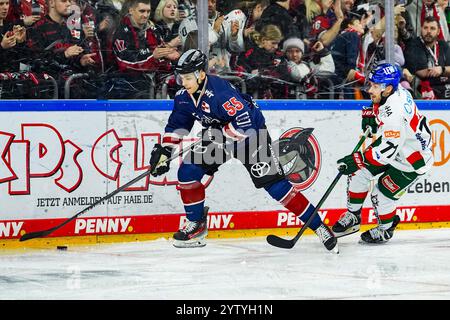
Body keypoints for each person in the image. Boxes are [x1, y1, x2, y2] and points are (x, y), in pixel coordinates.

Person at [149, 49, 339, 253]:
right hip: (219, 137)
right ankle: (196, 225)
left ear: (201, 75)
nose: (183, 82)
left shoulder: (221, 93)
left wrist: (220, 135)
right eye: (181, 77)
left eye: (187, 78)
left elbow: (245, 125)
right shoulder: (183, 97)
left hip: (252, 138)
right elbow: (178, 123)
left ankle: (319, 227)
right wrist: (165, 150)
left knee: (276, 187)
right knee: (187, 172)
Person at [332, 63, 434, 244]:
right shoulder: (395, 91)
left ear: (387, 88)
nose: (370, 89)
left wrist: (358, 159)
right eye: (370, 84)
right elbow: (382, 110)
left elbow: (387, 150)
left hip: (411, 160)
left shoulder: (395, 113)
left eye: (374, 86)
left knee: (382, 193)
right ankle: (354, 216)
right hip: (397, 145)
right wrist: (372, 113)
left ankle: (386, 229)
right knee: (359, 173)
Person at [405, 16, 450, 99]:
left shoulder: (443, 44)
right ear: (421, 29)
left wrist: (441, 69)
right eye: (425, 28)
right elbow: (421, 72)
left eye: (432, 28)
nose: (428, 31)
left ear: (438, 31)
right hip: (424, 89)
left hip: (445, 87)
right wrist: (445, 71)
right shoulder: (414, 45)